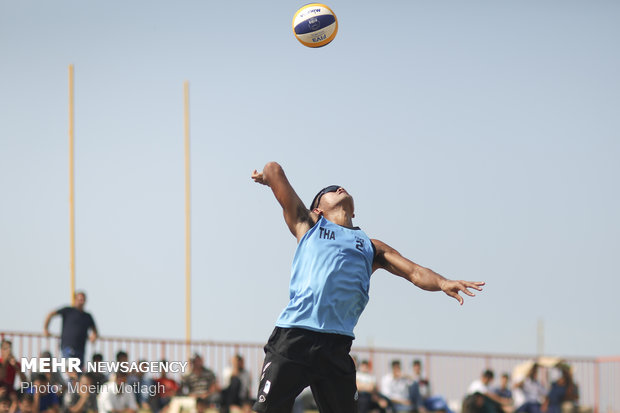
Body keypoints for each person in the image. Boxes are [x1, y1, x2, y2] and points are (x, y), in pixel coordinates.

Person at [250, 162, 485, 413]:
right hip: (295, 337)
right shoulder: (309, 224)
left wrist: (442, 282)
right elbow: (274, 169)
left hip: (337, 346)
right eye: (331, 189)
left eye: (341, 188)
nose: (340, 188)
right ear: (317, 208)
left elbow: (415, 272)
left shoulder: (370, 246)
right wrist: (267, 178)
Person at [43, 292, 98, 367]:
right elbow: (51, 314)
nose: (81, 302)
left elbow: (95, 330)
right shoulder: (68, 311)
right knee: (70, 367)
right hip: (67, 346)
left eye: (83, 300)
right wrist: (46, 329)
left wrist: (93, 336)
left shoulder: (87, 316)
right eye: (80, 300)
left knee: (78, 372)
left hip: (80, 349)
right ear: (75, 300)